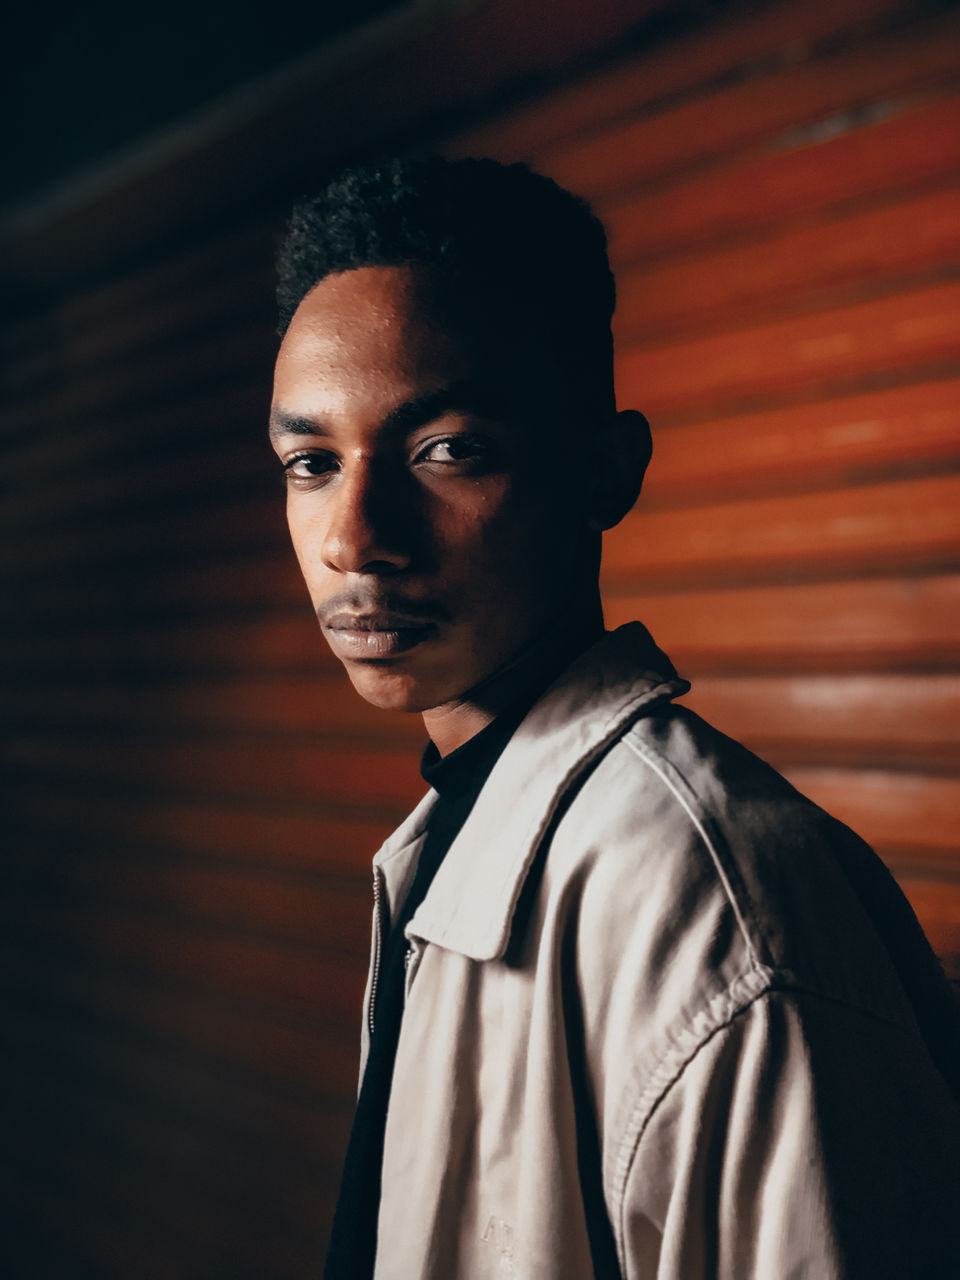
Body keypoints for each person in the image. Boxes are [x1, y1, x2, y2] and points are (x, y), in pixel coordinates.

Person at [269, 158, 960, 1280]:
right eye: (311, 463)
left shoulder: (713, 910)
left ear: (606, 470)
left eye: (448, 449)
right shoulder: (452, 835)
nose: (355, 535)